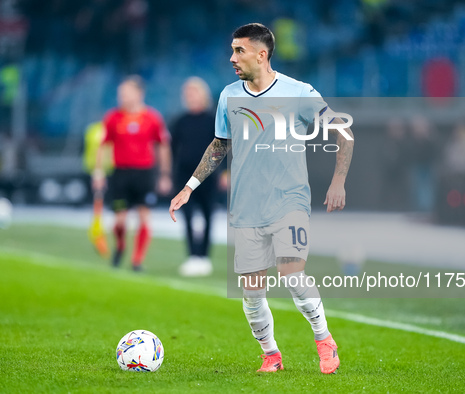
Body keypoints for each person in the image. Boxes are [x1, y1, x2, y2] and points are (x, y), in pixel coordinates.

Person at [169, 23, 354, 374]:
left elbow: (344, 133)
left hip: (290, 200)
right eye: (232, 50)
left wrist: (338, 181)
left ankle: (323, 339)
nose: (232, 58)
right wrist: (189, 186)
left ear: (261, 54)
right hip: (247, 204)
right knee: (252, 292)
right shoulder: (228, 95)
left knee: (292, 273)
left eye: (239, 51)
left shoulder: (299, 92)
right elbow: (220, 144)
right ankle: (271, 355)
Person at [93, 76, 172, 271]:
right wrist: (98, 172)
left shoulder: (152, 118)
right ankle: (120, 245)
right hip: (120, 173)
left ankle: (137, 260)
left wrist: (164, 174)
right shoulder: (113, 117)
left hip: (144, 173)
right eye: (121, 93)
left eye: (126, 92)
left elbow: (163, 146)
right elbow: (102, 146)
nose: (122, 97)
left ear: (139, 94)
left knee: (144, 215)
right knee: (119, 220)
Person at [171, 77, 219, 277]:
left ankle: (204, 257)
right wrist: (168, 176)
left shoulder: (213, 120)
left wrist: (225, 172)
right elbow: (172, 150)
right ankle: (192, 256)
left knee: (208, 216)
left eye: (194, 93)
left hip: (208, 176)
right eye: (187, 94)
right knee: (188, 216)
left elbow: (222, 148)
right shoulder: (180, 122)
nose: (191, 97)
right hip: (184, 176)